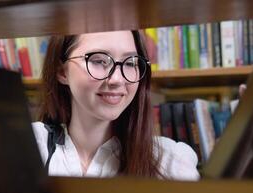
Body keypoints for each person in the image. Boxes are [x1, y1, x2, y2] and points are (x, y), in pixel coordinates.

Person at [32, 30, 200, 180]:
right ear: (62, 71)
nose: (117, 80)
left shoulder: (170, 162)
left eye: (129, 63)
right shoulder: (29, 146)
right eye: (99, 61)